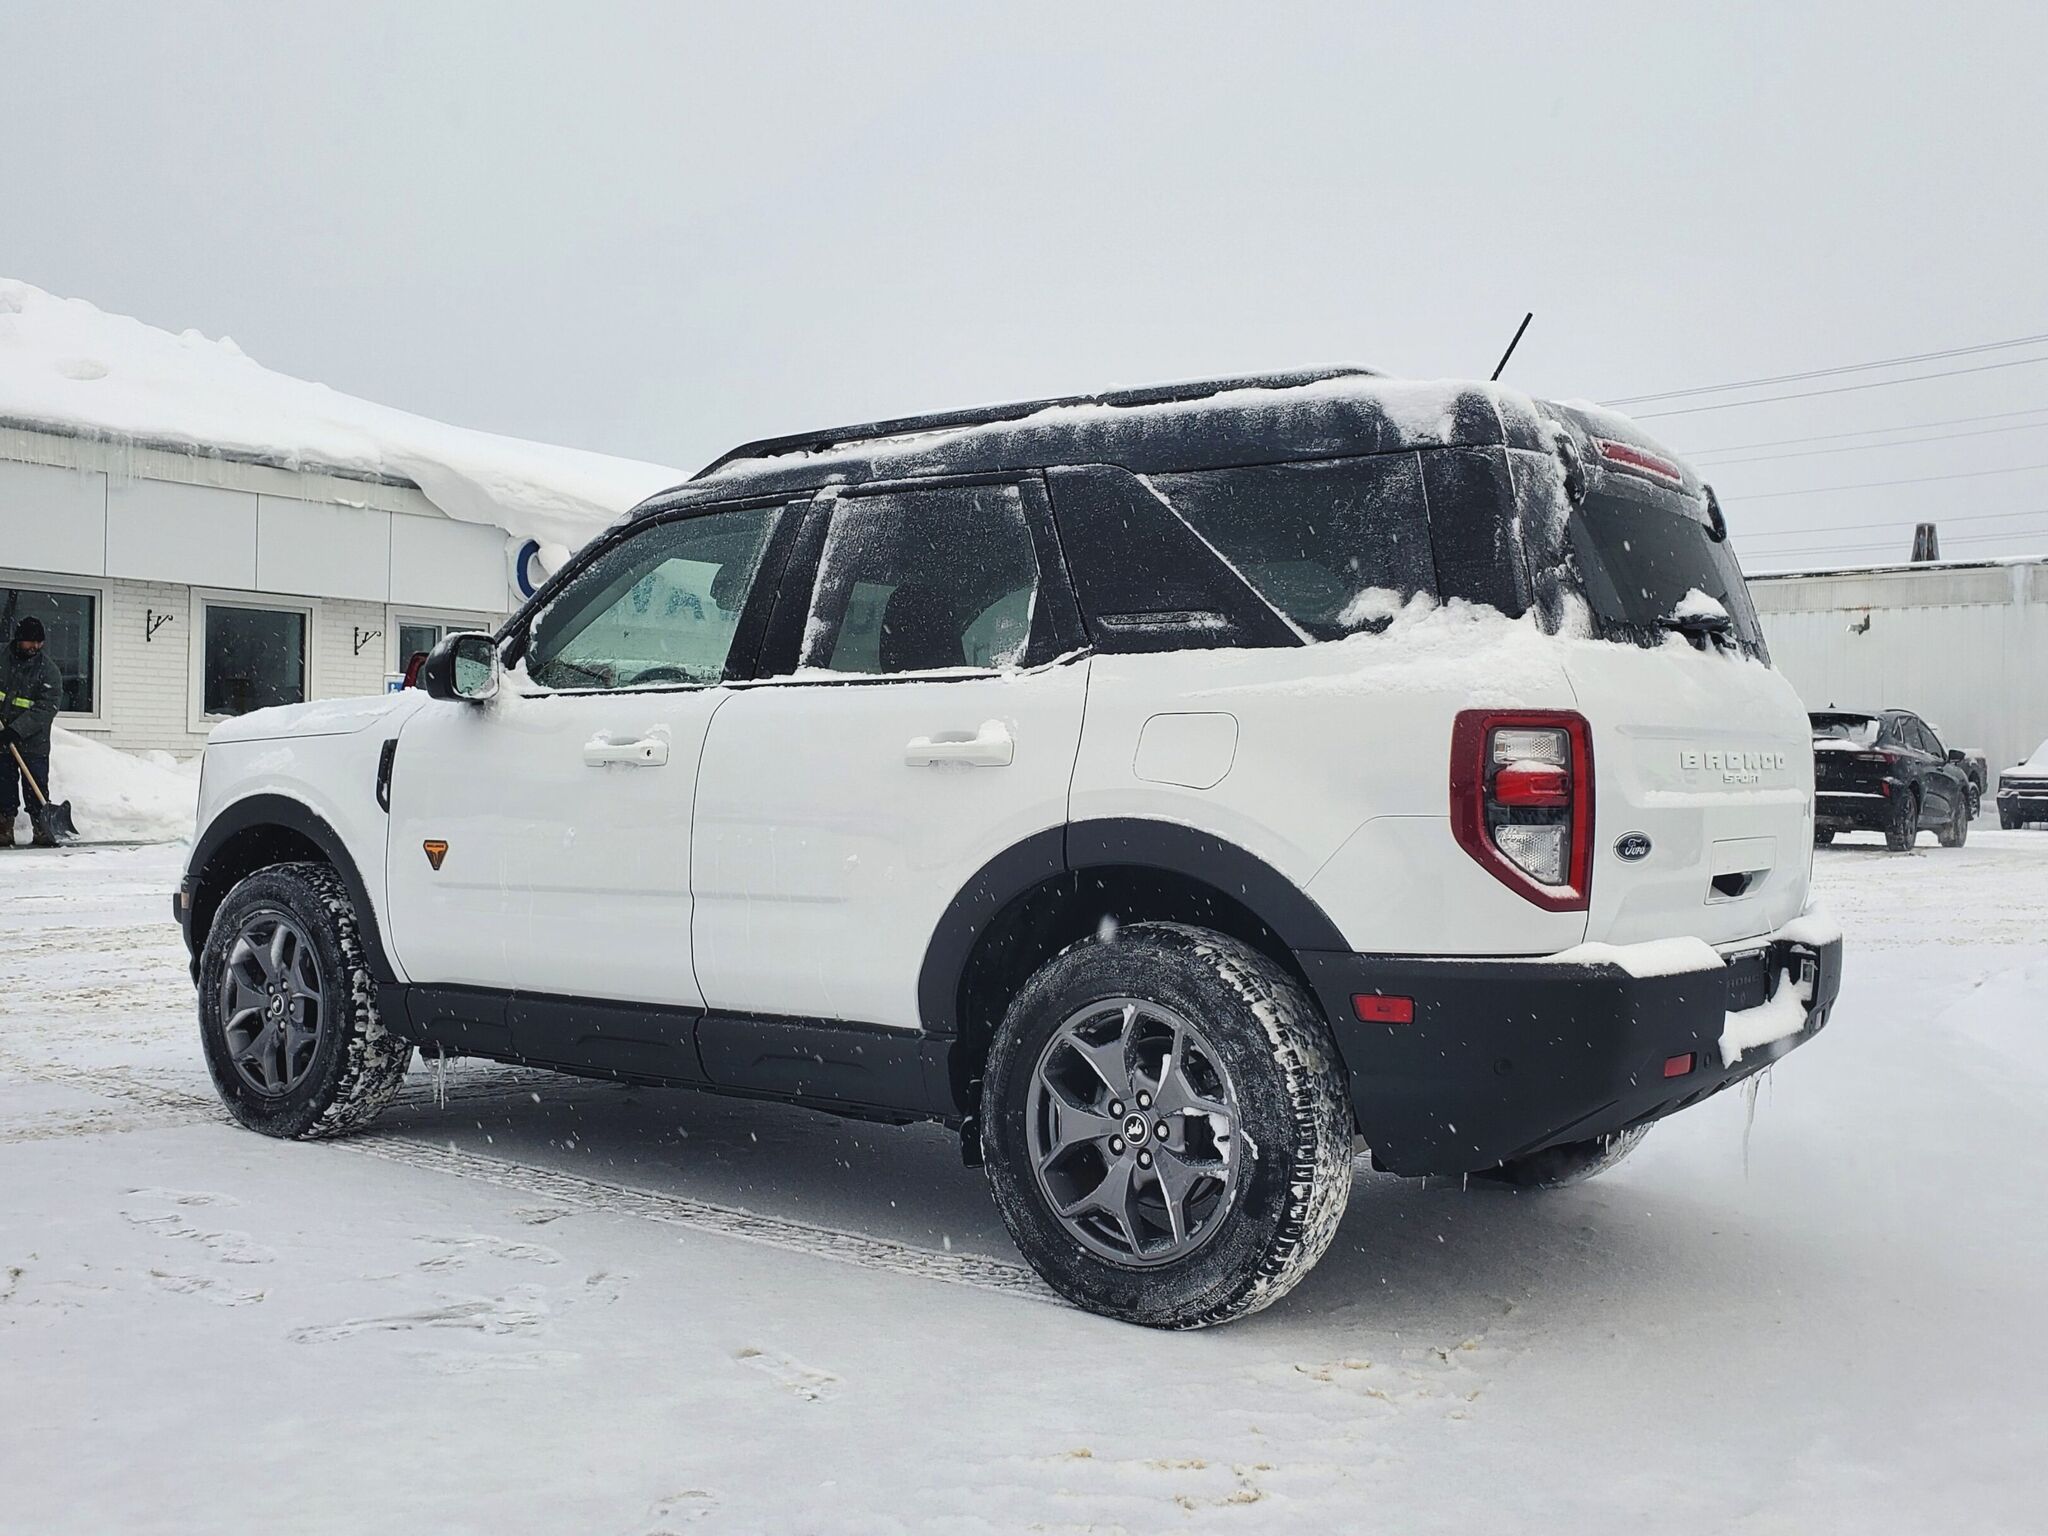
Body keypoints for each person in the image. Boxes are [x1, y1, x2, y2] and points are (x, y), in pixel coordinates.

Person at [1, 617, 64, 848]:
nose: (35, 646)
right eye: (30, 641)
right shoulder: (2, 659)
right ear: (19, 640)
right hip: (2, 738)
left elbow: (46, 707)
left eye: (39, 642)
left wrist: (17, 730)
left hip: (34, 741)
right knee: (3, 785)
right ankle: (4, 828)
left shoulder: (48, 671)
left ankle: (42, 827)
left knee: (35, 785)